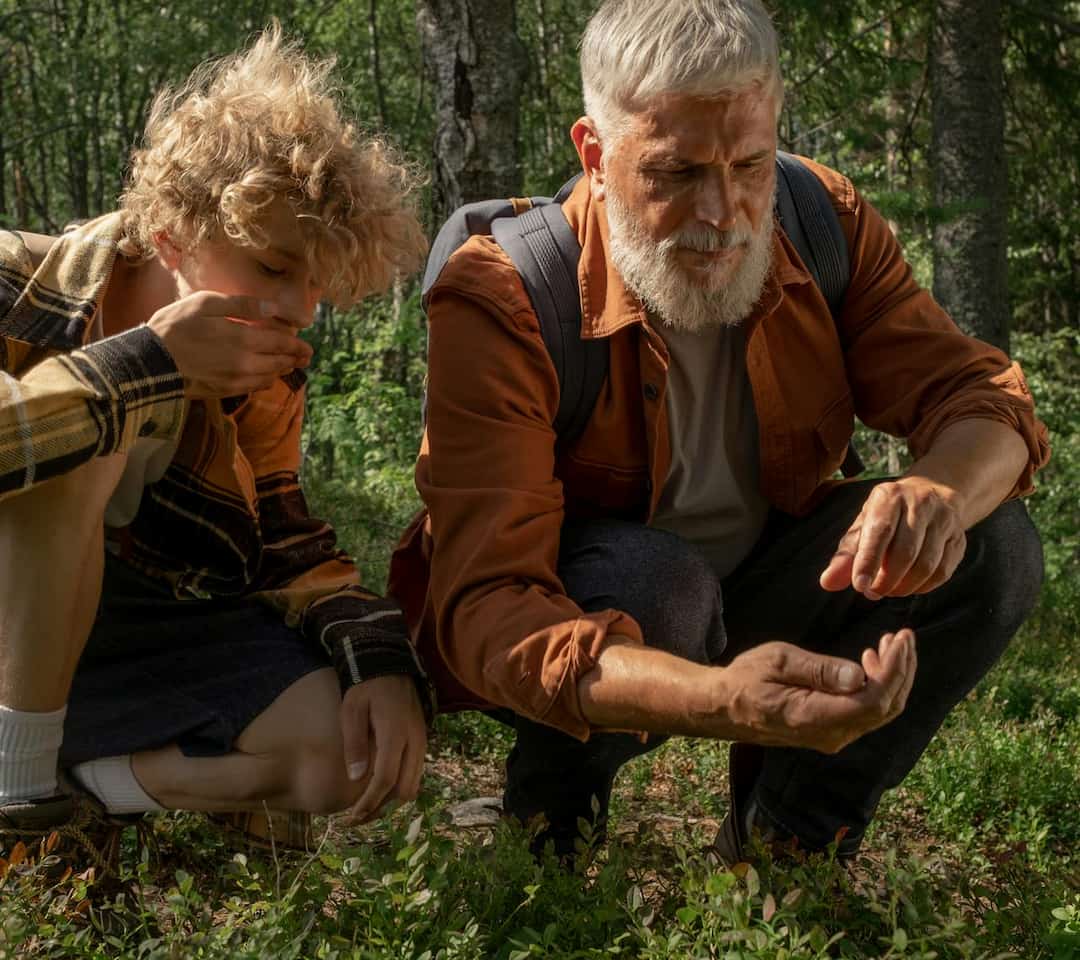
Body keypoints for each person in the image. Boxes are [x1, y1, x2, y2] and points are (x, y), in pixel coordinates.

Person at [389, 0, 1050, 863]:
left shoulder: (821, 221)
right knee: (659, 581)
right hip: (612, 612)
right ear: (594, 154)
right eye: (676, 173)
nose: (725, 212)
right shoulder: (507, 294)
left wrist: (939, 492)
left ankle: (787, 843)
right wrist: (728, 701)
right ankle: (552, 817)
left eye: (750, 164)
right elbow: (494, 611)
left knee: (992, 541)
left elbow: (981, 396)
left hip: (762, 575)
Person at [0, 25, 430, 870]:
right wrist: (144, 367)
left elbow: (282, 540)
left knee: (339, 754)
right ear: (172, 236)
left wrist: (376, 654)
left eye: (317, 284)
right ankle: (18, 802)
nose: (301, 308)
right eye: (275, 267)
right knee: (92, 428)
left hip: (128, 633)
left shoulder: (259, 368)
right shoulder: (16, 282)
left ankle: (82, 783)